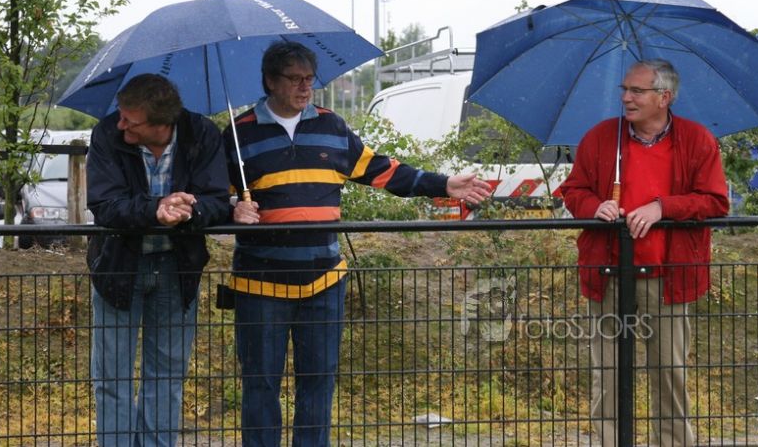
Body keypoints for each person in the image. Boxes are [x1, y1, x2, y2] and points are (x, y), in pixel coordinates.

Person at [225, 41, 491, 446]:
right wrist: (232, 207)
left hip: (323, 283)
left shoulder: (332, 127)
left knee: (318, 383)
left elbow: (383, 171)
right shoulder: (238, 134)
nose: (305, 87)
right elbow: (211, 196)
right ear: (269, 82)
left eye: (309, 79)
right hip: (260, 285)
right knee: (260, 385)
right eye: (294, 79)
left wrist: (445, 184)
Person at [560, 60, 729, 446]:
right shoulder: (601, 138)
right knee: (608, 372)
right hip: (609, 275)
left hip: (669, 278)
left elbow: (715, 201)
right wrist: (595, 207)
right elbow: (573, 190)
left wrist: (662, 207)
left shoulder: (697, 140)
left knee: (669, 372)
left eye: (637, 91)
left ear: (664, 97)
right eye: (624, 89)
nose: (626, 97)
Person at [87, 74, 231, 446]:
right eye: (121, 115)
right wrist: (157, 209)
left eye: (130, 121)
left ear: (161, 124)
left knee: (167, 377)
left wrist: (189, 211)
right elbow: (104, 205)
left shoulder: (202, 134)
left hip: (177, 269)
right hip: (118, 267)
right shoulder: (106, 134)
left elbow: (217, 200)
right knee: (112, 378)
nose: (121, 124)